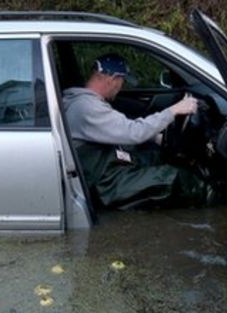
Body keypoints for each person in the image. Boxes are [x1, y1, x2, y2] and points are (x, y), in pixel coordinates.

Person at [62, 53, 212, 209]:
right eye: (122, 81)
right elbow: (135, 132)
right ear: (112, 79)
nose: (121, 87)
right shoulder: (86, 107)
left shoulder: (85, 102)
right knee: (175, 177)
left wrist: (153, 138)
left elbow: (119, 128)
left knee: (157, 157)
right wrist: (174, 110)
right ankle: (215, 202)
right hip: (104, 185)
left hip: (106, 168)